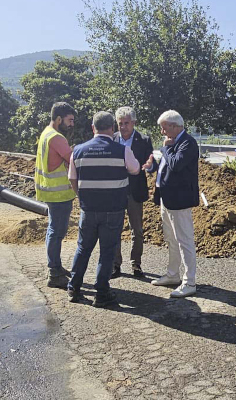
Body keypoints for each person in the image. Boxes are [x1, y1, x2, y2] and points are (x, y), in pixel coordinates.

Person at [67, 111, 140, 307]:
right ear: (113, 128)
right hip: (113, 209)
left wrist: (82, 196)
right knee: (107, 251)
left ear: (93, 128)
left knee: (83, 249)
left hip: (88, 209)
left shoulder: (78, 151)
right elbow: (135, 169)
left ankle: (74, 288)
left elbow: (72, 178)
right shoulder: (121, 151)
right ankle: (102, 293)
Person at [146, 110, 199, 298]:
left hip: (180, 199)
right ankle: (173, 274)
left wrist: (166, 149)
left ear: (175, 126)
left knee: (185, 240)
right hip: (166, 198)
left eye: (164, 127)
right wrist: (153, 166)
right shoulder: (173, 142)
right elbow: (166, 166)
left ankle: (189, 282)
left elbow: (177, 164)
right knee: (171, 238)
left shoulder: (188, 143)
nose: (162, 132)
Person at [35, 102, 76, 289]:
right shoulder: (58, 138)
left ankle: (56, 266)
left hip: (49, 191)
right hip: (59, 194)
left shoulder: (46, 133)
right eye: (69, 120)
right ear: (59, 119)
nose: (71, 124)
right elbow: (72, 159)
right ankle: (54, 273)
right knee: (56, 232)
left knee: (53, 231)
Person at [111, 107, 154, 280]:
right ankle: (115, 264)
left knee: (137, 229)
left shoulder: (143, 140)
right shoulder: (112, 139)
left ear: (134, 122)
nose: (123, 127)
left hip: (135, 192)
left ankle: (136, 263)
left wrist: (150, 166)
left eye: (126, 123)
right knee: (115, 229)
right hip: (115, 191)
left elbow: (150, 162)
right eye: (120, 123)